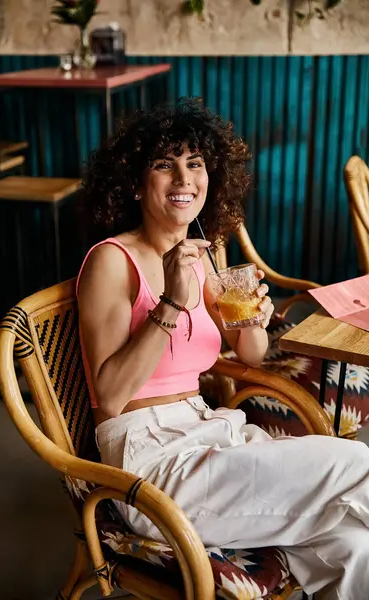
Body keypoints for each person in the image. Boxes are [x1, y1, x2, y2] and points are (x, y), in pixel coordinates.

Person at [77, 98, 369, 599]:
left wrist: (252, 313)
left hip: (212, 436)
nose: (183, 179)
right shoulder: (111, 260)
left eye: (195, 164)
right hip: (151, 468)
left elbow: (252, 355)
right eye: (164, 165)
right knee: (356, 464)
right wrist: (169, 303)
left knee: (353, 543)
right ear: (134, 181)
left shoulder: (201, 253)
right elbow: (109, 396)